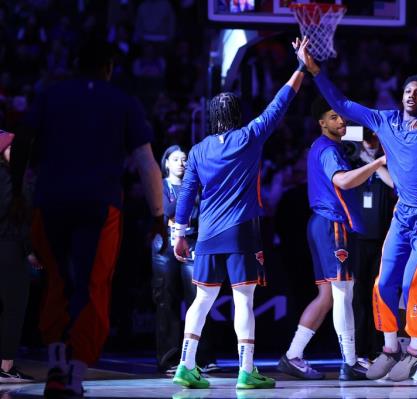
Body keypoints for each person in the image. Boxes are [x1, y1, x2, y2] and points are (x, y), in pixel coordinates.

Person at [294, 38, 417, 381]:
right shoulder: (384, 120)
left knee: (413, 284)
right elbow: (343, 103)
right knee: (383, 283)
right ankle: (391, 346)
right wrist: (315, 70)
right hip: (404, 213)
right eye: (408, 90)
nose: (412, 95)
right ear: (401, 94)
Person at [11, 40, 166, 397]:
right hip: (100, 205)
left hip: (49, 202)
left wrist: (19, 191)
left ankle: (54, 369)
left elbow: (21, 141)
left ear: (75, 63)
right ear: (109, 67)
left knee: (57, 283)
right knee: (93, 288)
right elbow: (146, 161)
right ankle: (75, 378)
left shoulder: (50, 96)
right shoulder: (124, 102)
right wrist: (158, 216)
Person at [170, 42, 305, 390]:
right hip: (241, 233)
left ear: (213, 117)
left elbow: (186, 195)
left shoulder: (198, 150)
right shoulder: (249, 136)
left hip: (208, 235)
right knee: (244, 299)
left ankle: (186, 364)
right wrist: (301, 68)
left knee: (202, 299)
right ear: (237, 114)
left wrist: (180, 233)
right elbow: (279, 104)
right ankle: (247, 371)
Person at [277, 98, 387, 381]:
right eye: (334, 117)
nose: (342, 121)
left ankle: (292, 355)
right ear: (321, 123)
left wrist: (366, 140)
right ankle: (351, 361)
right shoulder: (327, 149)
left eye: (343, 118)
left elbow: (364, 132)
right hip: (332, 224)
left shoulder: (328, 144)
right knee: (343, 293)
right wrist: (377, 163)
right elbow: (342, 181)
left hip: (323, 224)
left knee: (327, 296)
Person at [152, 145, 218, 374]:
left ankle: (204, 357)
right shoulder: (160, 186)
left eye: (185, 159)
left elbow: (200, 215)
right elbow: (168, 208)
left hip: (191, 244)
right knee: (166, 302)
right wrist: (187, 200)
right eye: (176, 159)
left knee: (199, 299)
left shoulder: (197, 187)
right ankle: (168, 359)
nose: (182, 163)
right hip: (164, 249)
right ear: (166, 163)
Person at [352, 130, 394, 365]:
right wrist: (365, 161)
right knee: (358, 296)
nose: (370, 142)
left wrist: (374, 163)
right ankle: (358, 350)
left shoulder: (387, 162)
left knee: (378, 293)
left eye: (374, 137)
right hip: (357, 238)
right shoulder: (350, 161)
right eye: (366, 138)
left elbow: (394, 183)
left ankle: (379, 347)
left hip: (382, 238)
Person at [0, 131, 35, 384]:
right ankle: (6, 365)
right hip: (10, 249)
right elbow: (18, 222)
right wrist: (30, 250)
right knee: (13, 308)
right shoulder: (11, 180)